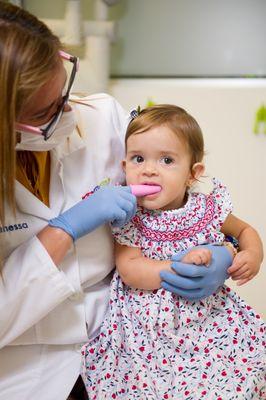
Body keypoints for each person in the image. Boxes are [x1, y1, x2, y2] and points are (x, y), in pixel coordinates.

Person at [0, 4, 237, 400]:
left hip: (129, 343)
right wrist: (64, 230)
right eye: (46, 112)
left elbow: (182, 189)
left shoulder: (104, 117)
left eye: (65, 91)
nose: (70, 112)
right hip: (28, 373)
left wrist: (229, 251)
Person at [82, 105, 265, 399]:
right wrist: (179, 266)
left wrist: (252, 254)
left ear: (193, 173)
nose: (149, 169)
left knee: (231, 378)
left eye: (167, 160)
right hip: (147, 327)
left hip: (207, 317)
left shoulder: (207, 208)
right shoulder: (130, 215)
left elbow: (245, 231)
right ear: (124, 166)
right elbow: (130, 269)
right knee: (147, 387)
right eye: (138, 159)